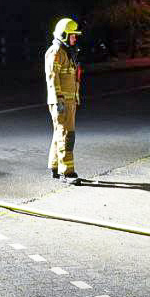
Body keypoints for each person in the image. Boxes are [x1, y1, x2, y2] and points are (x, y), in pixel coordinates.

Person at [45, 17, 82, 183]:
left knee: (59, 133)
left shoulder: (67, 52)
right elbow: (52, 78)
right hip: (61, 102)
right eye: (72, 35)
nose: (75, 38)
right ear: (64, 35)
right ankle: (67, 172)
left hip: (69, 101)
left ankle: (55, 166)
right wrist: (59, 99)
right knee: (66, 136)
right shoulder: (56, 52)